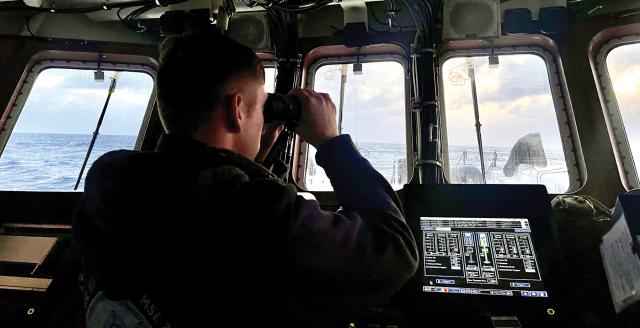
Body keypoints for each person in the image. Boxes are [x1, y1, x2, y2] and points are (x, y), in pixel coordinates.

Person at [73, 31, 418, 327]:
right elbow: (394, 252)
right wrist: (332, 143)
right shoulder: (256, 212)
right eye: (261, 105)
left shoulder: (109, 178)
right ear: (237, 110)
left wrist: (245, 161)